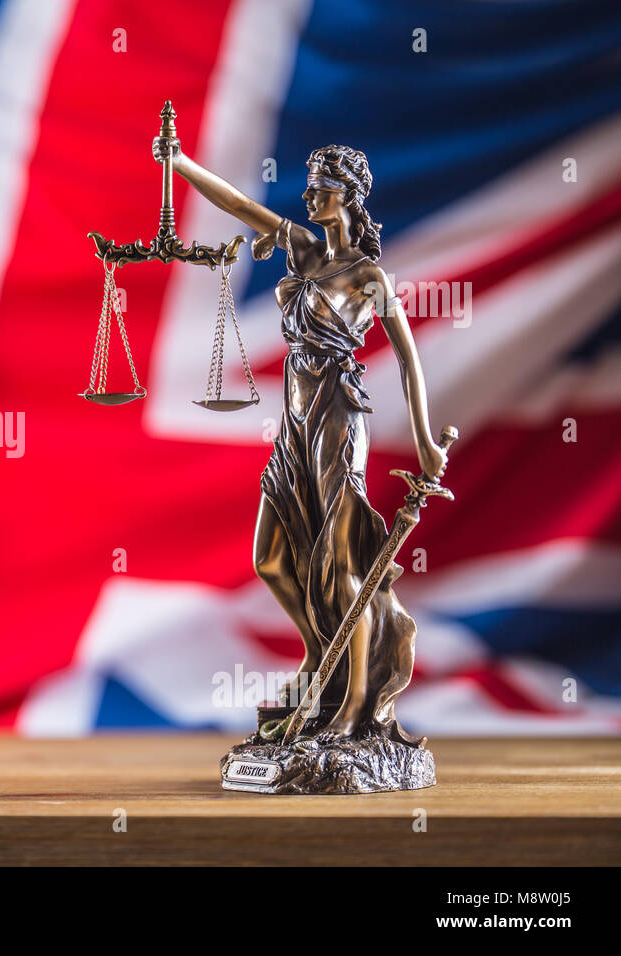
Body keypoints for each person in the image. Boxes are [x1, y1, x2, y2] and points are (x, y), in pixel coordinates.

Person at [152, 136, 449, 741]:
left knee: (342, 566)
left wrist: (426, 442)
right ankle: (322, 655)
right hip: (294, 423)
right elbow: (238, 203)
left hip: (339, 418)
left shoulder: (367, 276)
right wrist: (179, 163)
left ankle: (354, 704)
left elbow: (408, 358)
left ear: (347, 196)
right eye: (310, 184)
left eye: (320, 186)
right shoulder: (305, 251)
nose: (308, 194)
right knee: (271, 559)